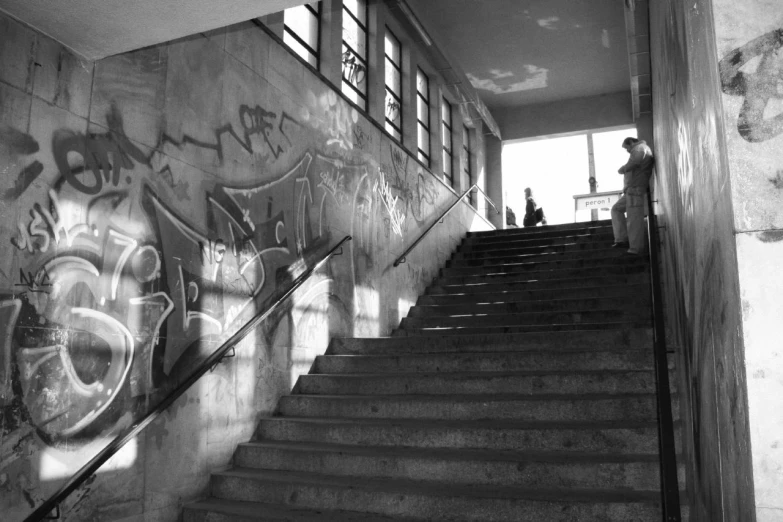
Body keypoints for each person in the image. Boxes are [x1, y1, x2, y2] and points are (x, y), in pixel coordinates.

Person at [611, 137, 655, 255]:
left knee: (634, 220)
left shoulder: (639, 149)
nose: (627, 151)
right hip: (632, 190)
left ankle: (636, 248)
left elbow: (634, 163)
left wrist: (623, 169)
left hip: (636, 190)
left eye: (626, 148)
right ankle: (621, 239)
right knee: (616, 209)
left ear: (631, 143)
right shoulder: (641, 149)